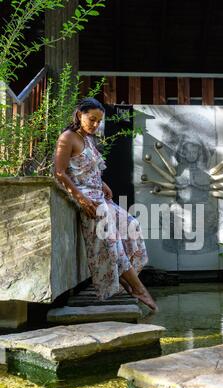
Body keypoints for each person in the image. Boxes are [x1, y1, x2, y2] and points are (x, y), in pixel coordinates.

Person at [54, 97, 158, 311]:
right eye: (91, 119)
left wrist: (102, 183)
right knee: (112, 240)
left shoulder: (89, 139)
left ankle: (124, 278)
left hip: (99, 194)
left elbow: (89, 169)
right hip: (86, 198)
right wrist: (81, 198)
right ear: (79, 114)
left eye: (99, 121)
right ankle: (138, 288)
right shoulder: (67, 138)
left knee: (131, 225)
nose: (95, 124)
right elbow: (59, 172)